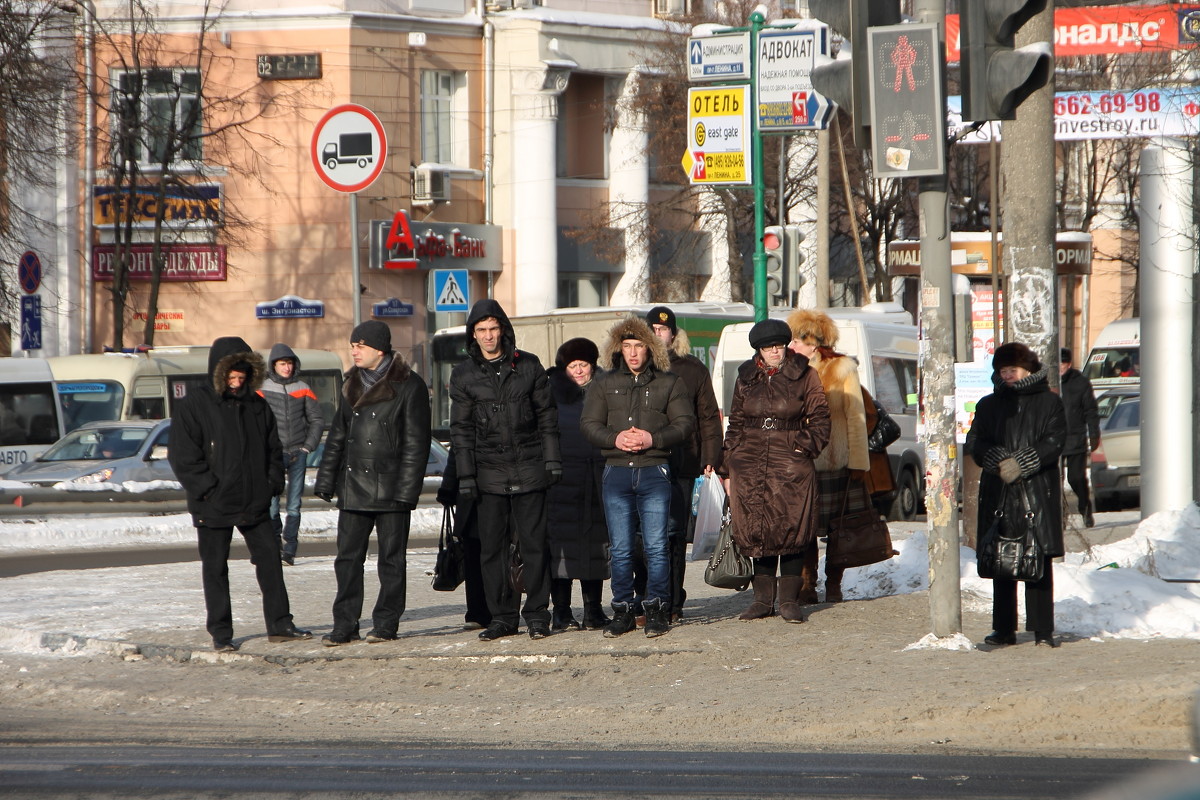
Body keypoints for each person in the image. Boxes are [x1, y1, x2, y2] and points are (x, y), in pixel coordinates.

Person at [168, 336, 311, 653]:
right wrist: (207, 488)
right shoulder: (194, 405)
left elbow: (274, 450)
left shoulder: (257, 405)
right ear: (218, 374)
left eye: (241, 376)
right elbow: (183, 456)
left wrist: (272, 483)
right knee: (215, 569)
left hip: (254, 499)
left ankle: (280, 624)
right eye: (230, 377)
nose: (236, 382)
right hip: (212, 502)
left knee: (270, 561)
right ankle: (221, 632)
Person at [449, 299, 561, 642]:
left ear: (503, 330)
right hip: (487, 475)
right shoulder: (463, 374)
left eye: (493, 328)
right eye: (481, 330)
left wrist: (552, 461)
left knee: (534, 545)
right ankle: (502, 616)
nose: (488, 336)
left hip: (529, 468)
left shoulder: (528, 366)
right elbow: (461, 430)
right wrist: (466, 476)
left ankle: (539, 613)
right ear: (473, 334)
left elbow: (547, 419)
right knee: (492, 550)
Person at [314, 321, 431, 646]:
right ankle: (345, 624)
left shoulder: (409, 386)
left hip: (391, 488)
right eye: (353, 345)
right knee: (347, 559)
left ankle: (385, 623)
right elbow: (337, 436)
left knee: (391, 561)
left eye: (360, 345)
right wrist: (326, 480)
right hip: (352, 488)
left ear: (379, 349)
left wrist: (408, 492)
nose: (354, 350)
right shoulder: (350, 383)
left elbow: (416, 445)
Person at [580, 315, 694, 638]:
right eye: (627, 346)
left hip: (655, 470)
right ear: (619, 348)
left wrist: (652, 439)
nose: (632, 353)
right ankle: (623, 609)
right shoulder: (604, 383)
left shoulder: (669, 382)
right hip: (616, 471)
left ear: (650, 348)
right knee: (620, 547)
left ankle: (657, 608)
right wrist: (614, 439)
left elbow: (685, 424)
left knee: (657, 545)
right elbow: (589, 424)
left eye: (639, 346)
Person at [720, 319, 831, 623]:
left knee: (791, 527)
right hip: (750, 461)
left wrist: (802, 448)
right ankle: (761, 600)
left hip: (791, 462)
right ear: (759, 349)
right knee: (758, 528)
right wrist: (728, 465)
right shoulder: (746, 376)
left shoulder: (805, 374)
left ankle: (789, 600)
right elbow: (736, 424)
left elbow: (821, 418)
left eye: (779, 346)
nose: (775, 351)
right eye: (769, 347)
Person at [967, 342, 1067, 648]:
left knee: (1037, 560)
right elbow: (975, 442)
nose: (1008, 375)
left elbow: (1055, 441)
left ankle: (1042, 630)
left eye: (1013, 369)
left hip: (1036, 490)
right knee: (1002, 560)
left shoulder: (1050, 403)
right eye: (1003, 370)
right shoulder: (987, 405)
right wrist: (999, 461)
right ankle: (1003, 628)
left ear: (1028, 369)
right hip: (999, 492)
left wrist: (1021, 463)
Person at [645, 306, 723, 623]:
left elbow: (708, 416)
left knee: (674, 536)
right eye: (652, 329)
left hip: (684, 464)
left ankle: (674, 602)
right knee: (645, 537)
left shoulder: (692, 369)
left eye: (663, 330)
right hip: (644, 463)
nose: (657, 334)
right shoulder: (635, 368)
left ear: (673, 335)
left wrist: (710, 458)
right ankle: (648, 600)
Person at [787, 310, 870, 604]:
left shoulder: (841, 368)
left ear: (814, 342)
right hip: (800, 462)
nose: (792, 344)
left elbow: (856, 415)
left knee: (839, 529)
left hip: (836, 461)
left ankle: (834, 584)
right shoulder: (789, 369)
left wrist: (859, 462)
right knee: (804, 529)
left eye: (798, 339)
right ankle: (808, 584)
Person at [545, 338, 610, 631]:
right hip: (562, 483)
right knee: (561, 549)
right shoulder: (551, 393)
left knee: (595, 548)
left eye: (584, 365)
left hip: (597, 480)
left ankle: (593, 610)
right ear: (565, 368)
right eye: (574, 366)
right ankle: (561, 611)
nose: (580, 371)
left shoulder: (604, 390)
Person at [260, 343, 324, 565]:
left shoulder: (303, 387)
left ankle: (291, 548)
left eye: (289, 363)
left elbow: (317, 420)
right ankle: (275, 541)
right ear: (274, 365)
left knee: (294, 504)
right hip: (273, 455)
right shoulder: (262, 388)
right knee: (272, 504)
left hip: (299, 452)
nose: (286, 368)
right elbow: (256, 421)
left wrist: (308, 447)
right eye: (282, 364)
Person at [437, 447, 492, 631]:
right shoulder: (465, 423)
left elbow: (456, 454)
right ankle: (480, 611)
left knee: (480, 558)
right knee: (475, 557)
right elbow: (456, 454)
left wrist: (447, 489)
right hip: (472, 498)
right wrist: (448, 489)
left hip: (482, 495)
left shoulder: (465, 422)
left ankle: (484, 612)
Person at [1059, 347, 1101, 528]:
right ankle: (1060, 515)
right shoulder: (1049, 382)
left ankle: (1085, 506)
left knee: (1075, 478)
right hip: (1054, 440)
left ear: (1068, 364)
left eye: (1062, 364)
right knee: (1054, 481)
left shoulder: (1080, 383)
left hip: (1075, 438)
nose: (1059, 367)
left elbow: (1091, 411)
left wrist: (1093, 434)